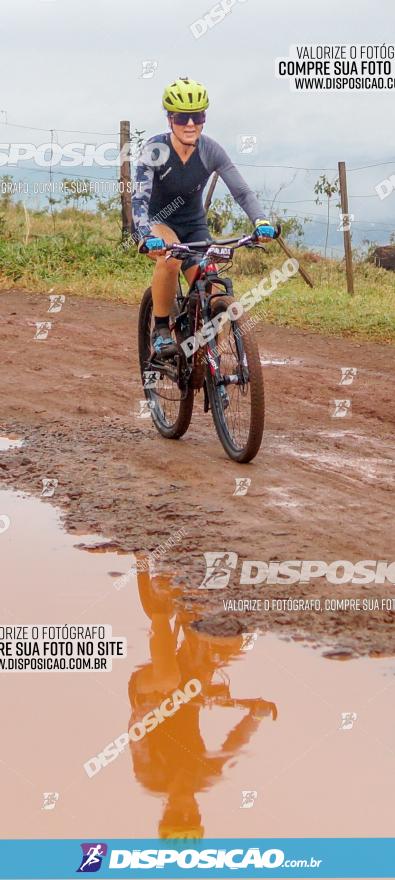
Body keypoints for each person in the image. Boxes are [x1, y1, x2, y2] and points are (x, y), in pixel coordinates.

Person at [132, 76, 276, 360]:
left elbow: (242, 192)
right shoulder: (154, 150)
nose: (190, 124)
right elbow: (138, 200)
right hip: (158, 222)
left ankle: (200, 351)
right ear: (170, 119)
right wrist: (145, 235)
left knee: (207, 282)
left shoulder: (211, 151)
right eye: (183, 117)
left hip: (194, 225)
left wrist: (260, 221)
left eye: (197, 117)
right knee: (171, 259)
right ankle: (160, 330)